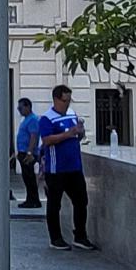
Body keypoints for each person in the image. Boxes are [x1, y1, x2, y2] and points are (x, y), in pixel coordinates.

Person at [39, 85, 95, 251]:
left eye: (69, 100)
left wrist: (80, 132)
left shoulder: (72, 114)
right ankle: (55, 238)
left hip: (74, 167)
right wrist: (67, 134)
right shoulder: (47, 119)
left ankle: (80, 235)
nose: (67, 103)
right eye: (65, 100)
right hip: (56, 169)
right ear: (56, 99)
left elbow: (77, 136)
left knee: (81, 201)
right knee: (55, 204)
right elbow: (47, 140)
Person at [15, 97, 42, 210]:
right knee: (26, 177)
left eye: (20, 107)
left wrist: (30, 152)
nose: (19, 110)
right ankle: (30, 199)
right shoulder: (26, 119)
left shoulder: (32, 120)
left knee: (29, 177)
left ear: (28, 107)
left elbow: (33, 136)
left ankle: (33, 200)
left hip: (28, 153)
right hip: (23, 152)